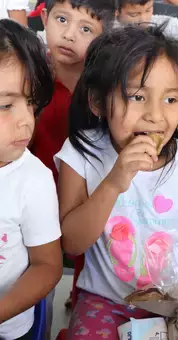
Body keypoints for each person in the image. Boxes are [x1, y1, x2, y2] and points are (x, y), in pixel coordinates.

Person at [55, 25, 178, 339]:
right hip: (106, 301)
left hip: (177, 301)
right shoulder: (82, 154)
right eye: (138, 96)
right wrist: (114, 182)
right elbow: (71, 243)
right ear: (98, 102)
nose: (156, 116)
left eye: (170, 99)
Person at [0, 19, 62, 340]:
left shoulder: (33, 179)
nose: (26, 121)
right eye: (6, 105)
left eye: (32, 103)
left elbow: (47, 266)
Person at [31, 0, 117, 183]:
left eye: (86, 29)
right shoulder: (29, 75)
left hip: (90, 194)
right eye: (61, 19)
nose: (69, 35)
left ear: (103, 38)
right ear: (45, 19)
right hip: (36, 189)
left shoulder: (106, 87)